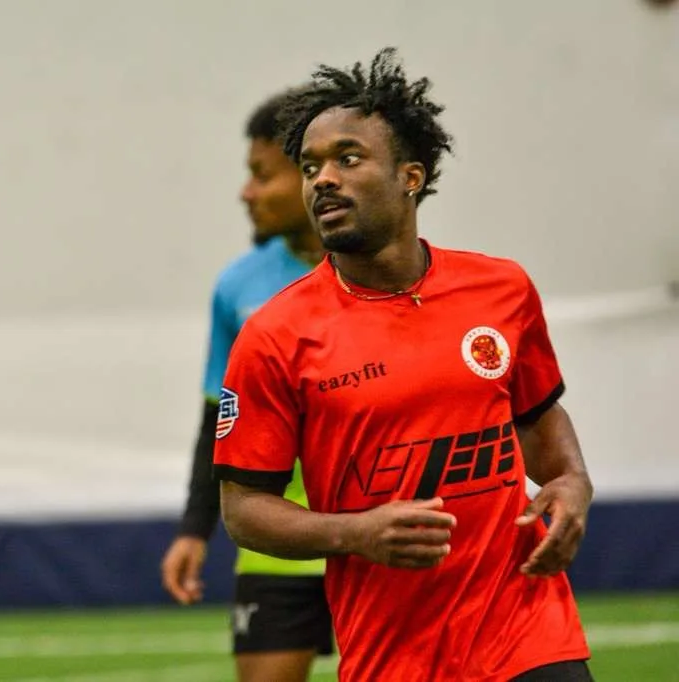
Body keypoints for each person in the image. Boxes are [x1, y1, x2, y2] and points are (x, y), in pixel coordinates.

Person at [214, 48, 595, 682]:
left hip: (529, 634)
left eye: (348, 158)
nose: (322, 179)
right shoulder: (274, 334)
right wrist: (355, 533)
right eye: (310, 166)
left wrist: (573, 481)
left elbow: (536, 416)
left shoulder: (501, 289)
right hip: (394, 657)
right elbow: (245, 509)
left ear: (410, 176)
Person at [160, 88, 334, 682]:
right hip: (275, 548)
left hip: (381, 541)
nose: (246, 192)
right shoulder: (238, 287)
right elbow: (220, 418)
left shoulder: (389, 274)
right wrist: (194, 530)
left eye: (262, 175)